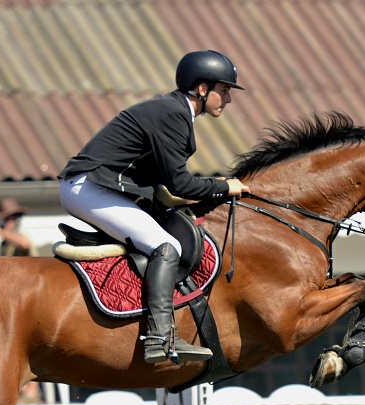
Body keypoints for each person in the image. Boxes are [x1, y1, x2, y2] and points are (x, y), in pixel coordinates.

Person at [58, 50, 249, 364]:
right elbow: (180, 185)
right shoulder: (173, 114)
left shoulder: (173, 110)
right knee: (166, 244)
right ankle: (160, 338)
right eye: (225, 90)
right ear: (202, 89)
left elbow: (166, 182)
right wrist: (225, 186)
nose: (228, 99)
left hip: (97, 185)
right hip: (88, 187)